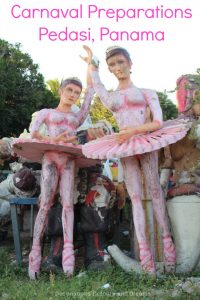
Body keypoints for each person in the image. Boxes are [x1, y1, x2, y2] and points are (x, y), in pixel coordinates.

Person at [80, 45, 189, 274]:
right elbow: (97, 86)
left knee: (155, 192)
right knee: (135, 198)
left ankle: (168, 249)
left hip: (145, 142)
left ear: (130, 63)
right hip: (126, 146)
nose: (118, 68)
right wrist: (93, 64)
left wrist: (134, 130)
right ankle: (145, 257)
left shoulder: (147, 92)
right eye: (113, 65)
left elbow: (157, 122)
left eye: (121, 62)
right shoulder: (111, 97)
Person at [27, 69, 94, 279]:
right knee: (45, 203)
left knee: (67, 204)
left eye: (76, 92)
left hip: (68, 160)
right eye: (69, 90)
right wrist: (55, 141)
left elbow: (90, 98)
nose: (73, 95)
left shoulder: (77, 117)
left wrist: (91, 69)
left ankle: (68, 259)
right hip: (50, 157)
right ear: (60, 90)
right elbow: (34, 132)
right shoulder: (46, 113)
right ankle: (35, 256)